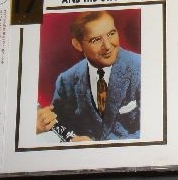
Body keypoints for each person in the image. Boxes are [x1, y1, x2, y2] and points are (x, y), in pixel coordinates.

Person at [36, 11, 141, 141]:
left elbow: (154, 129)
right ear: (78, 45)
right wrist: (42, 126)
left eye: (111, 34)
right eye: (96, 40)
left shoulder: (141, 67)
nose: (107, 46)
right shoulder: (66, 81)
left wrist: (99, 147)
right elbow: (59, 127)